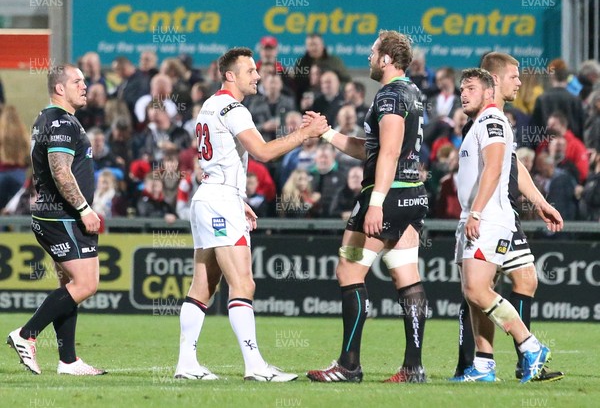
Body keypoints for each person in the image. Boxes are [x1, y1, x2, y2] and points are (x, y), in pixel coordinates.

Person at [174, 47, 328, 381]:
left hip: (209, 197)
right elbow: (264, 152)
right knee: (243, 282)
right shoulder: (234, 108)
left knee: (203, 284)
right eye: (250, 70)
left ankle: (186, 363)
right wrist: (305, 133)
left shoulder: (209, 107)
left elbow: (212, 162)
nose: (257, 75)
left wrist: (238, 195)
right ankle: (255, 366)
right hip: (220, 200)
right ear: (230, 75)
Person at [306, 30, 429, 383]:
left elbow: (388, 153)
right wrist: (326, 134)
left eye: (374, 51)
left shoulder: (390, 95)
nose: (368, 55)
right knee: (407, 276)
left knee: (348, 272)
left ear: (387, 59)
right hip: (412, 195)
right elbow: (372, 148)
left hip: (387, 194)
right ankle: (413, 368)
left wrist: (375, 203)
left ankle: (348, 366)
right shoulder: (412, 93)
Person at [452, 53, 565, 382]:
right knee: (477, 290)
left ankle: (529, 348)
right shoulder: (488, 120)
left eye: (469, 88)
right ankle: (483, 364)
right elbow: (509, 165)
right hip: (485, 214)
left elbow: (498, 167)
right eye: (514, 76)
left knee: (479, 289)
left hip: (490, 216)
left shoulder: (492, 121)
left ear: (486, 87)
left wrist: (476, 211)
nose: (520, 81)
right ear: (496, 81)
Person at [7, 64, 106, 376]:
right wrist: (84, 209)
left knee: (70, 285)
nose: (84, 86)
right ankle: (26, 334)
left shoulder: (49, 117)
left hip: (54, 215)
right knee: (87, 283)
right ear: (59, 88)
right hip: (62, 216)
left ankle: (68, 360)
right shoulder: (61, 121)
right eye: (77, 81)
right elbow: (60, 172)